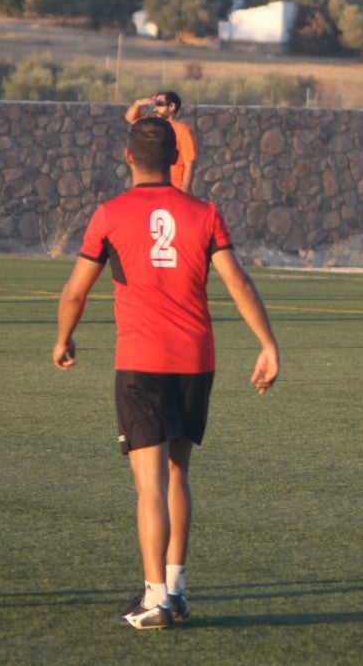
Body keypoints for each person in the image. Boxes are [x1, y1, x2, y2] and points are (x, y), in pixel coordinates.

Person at [54, 116, 279, 629]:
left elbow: (75, 291)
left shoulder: (109, 214)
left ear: (128, 157)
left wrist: (63, 337)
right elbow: (239, 282)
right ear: (177, 159)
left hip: (142, 361)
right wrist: (267, 344)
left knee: (148, 485)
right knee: (179, 473)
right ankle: (175, 589)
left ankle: (154, 597)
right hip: (196, 361)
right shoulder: (205, 213)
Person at [125, 91, 197, 194]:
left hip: (175, 189)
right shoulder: (153, 126)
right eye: (154, 104)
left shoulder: (183, 130)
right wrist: (138, 104)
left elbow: (189, 164)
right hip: (155, 188)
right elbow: (130, 118)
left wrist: (184, 193)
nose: (155, 108)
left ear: (171, 106)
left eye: (159, 104)